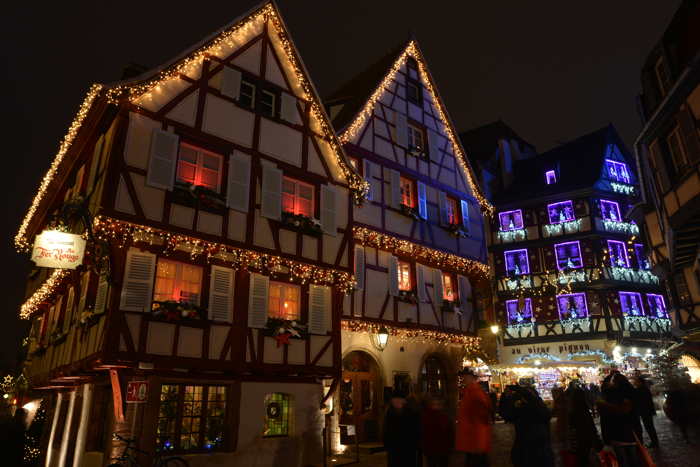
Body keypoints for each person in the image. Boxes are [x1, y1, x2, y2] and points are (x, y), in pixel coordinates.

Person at [499, 384, 554, 467]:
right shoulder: (536, 407)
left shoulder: (529, 408)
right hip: (534, 448)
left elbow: (506, 414)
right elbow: (506, 414)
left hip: (529, 448)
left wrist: (506, 396)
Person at [597, 372, 641, 467]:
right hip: (630, 434)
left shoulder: (609, 398)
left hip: (617, 434)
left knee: (622, 461)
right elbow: (635, 417)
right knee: (634, 460)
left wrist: (606, 439)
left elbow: (606, 420)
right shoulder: (632, 395)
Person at [455, 368, 492, 467]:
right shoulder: (469, 391)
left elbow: (482, 413)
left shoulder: (475, 392)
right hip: (472, 437)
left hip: (475, 437)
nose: (462, 379)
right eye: (461, 377)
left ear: (471, 378)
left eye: (464, 376)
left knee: (476, 462)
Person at [563, 382, 603, 466]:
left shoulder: (570, 411)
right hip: (586, 443)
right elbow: (591, 428)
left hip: (578, 444)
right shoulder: (583, 411)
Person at [384, 390, 420, 467]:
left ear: (404, 401)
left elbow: (416, 430)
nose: (397, 402)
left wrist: (416, 444)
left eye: (399, 400)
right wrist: (387, 444)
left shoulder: (411, 413)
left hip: (408, 448)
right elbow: (386, 430)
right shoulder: (389, 413)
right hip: (394, 448)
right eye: (395, 400)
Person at [421, 397, 451, 467]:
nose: (436, 406)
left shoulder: (445, 417)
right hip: (432, 448)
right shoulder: (426, 417)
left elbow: (449, 432)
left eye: (438, 404)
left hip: (441, 448)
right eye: (434, 404)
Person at [631, 376, 659, 448]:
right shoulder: (644, 389)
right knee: (650, 427)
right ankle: (654, 442)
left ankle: (654, 442)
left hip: (645, 411)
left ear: (640, 382)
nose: (635, 382)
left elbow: (642, 401)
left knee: (649, 427)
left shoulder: (640, 390)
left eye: (636, 381)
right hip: (647, 410)